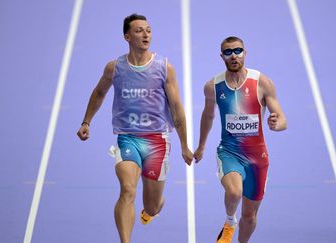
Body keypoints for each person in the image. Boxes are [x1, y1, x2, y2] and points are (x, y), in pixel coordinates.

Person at [76, 14, 193, 243]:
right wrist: (86, 122)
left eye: (148, 30)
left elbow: (177, 107)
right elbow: (99, 93)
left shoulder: (164, 67)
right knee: (128, 190)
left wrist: (184, 145)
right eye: (139, 31)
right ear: (127, 37)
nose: (146, 34)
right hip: (127, 137)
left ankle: (151, 211)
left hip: (157, 140)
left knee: (153, 206)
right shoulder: (115, 68)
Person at [194, 36, 287, 243]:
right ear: (222, 57)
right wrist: (201, 147)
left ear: (245, 52)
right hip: (229, 152)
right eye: (228, 52)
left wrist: (275, 124)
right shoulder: (213, 86)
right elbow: (208, 116)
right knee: (234, 192)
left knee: (250, 216)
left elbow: (282, 120)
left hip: (257, 158)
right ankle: (229, 221)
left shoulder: (262, 82)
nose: (233, 55)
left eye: (238, 50)